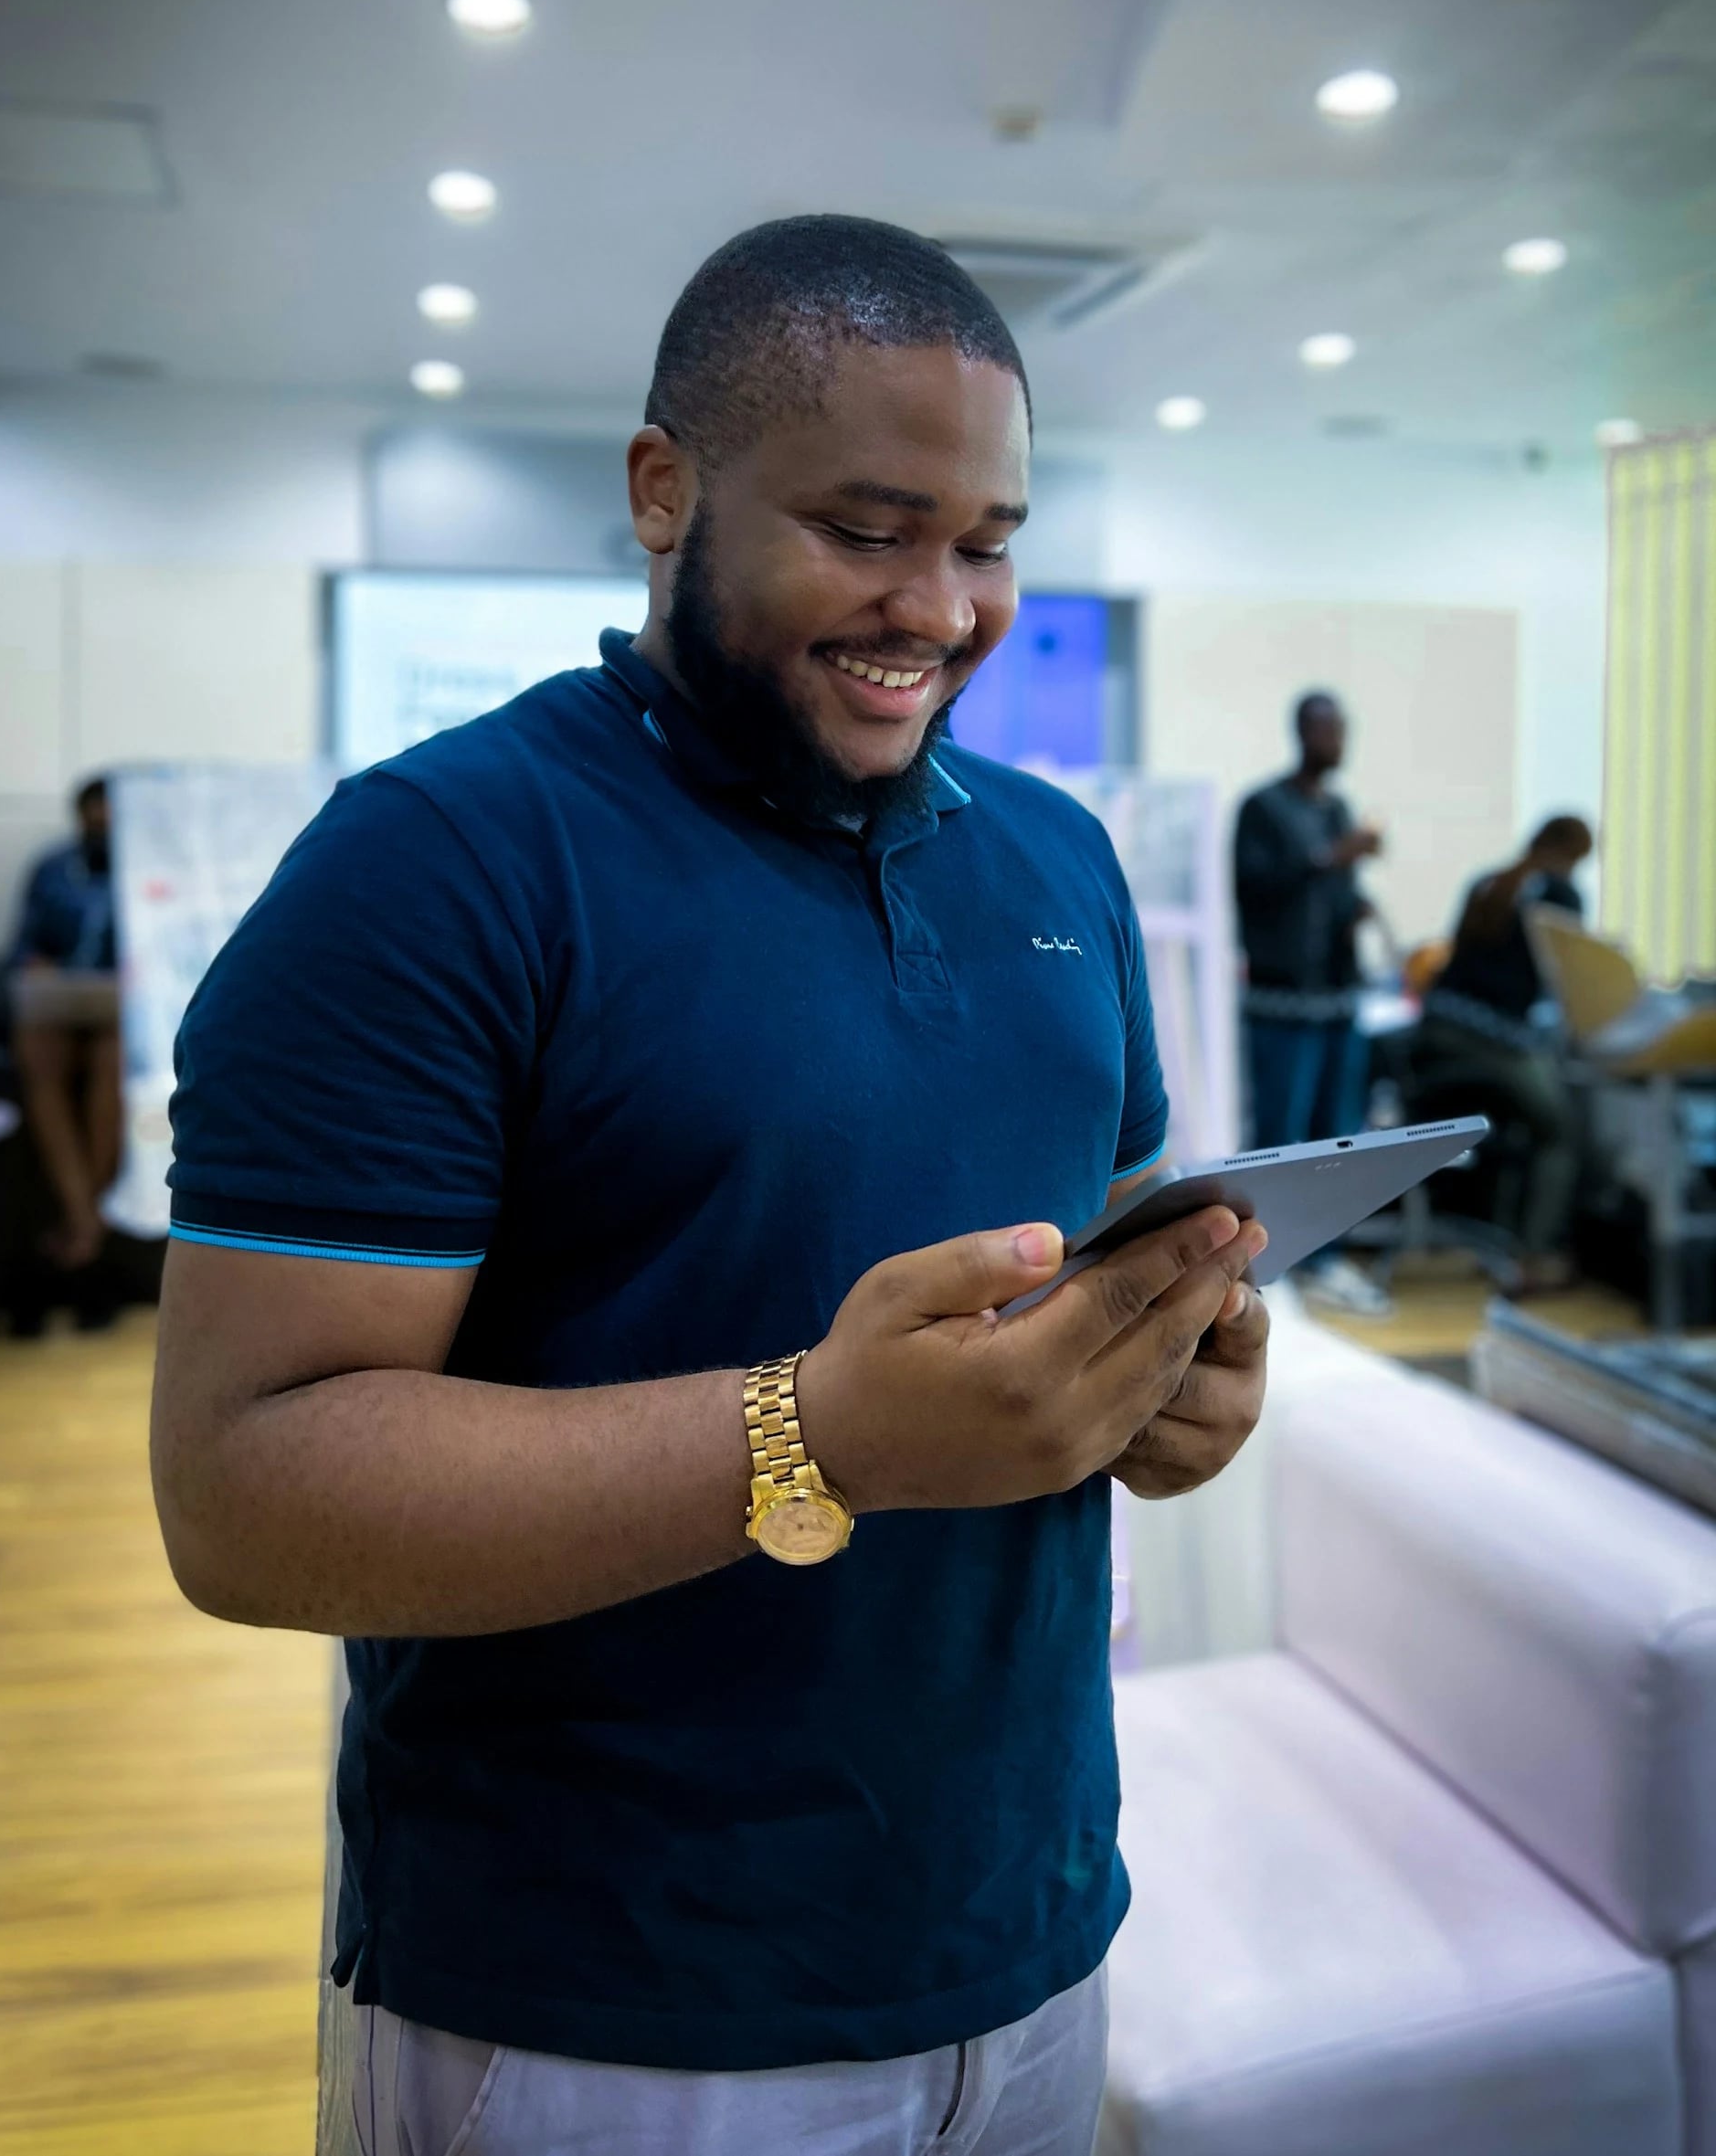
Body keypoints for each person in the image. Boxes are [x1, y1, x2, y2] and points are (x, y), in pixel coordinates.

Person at [150, 216, 1268, 2156]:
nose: (944, 604)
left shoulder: (1060, 866)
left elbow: (1105, 1268)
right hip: (604, 2003)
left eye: (990, 540)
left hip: (1028, 1935)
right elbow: (247, 1496)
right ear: (668, 489)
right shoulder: (436, 864)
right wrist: (814, 1435)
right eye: (868, 525)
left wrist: (1163, 1383)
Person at [1234, 693, 1387, 1315]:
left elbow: (1334, 890)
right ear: (1303, 731)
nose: (1338, 739)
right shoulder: (1263, 807)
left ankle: (1325, 1258)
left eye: (1344, 728)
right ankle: (1270, 1259)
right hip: (1281, 1004)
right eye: (1329, 728)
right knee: (1281, 1138)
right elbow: (1255, 886)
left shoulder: (1338, 808)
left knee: (1336, 1140)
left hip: (1337, 1000)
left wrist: (1355, 906)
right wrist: (1330, 860)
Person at [1413, 815, 1594, 1291]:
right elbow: (1565, 980)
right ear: (1573, 855)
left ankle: (1495, 1240)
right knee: (1559, 1131)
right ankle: (1534, 1256)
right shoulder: (1558, 895)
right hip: (1494, 1042)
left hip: (1437, 1039)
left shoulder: (1488, 883)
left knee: (1517, 1123)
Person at [10, 774, 122, 1287]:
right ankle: (90, 1217)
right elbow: (25, 947)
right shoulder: (52, 869)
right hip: (59, 1006)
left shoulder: (146, 869)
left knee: (113, 1061)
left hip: (120, 1011)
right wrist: (37, 966)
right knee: (39, 1051)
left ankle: (79, 1219)